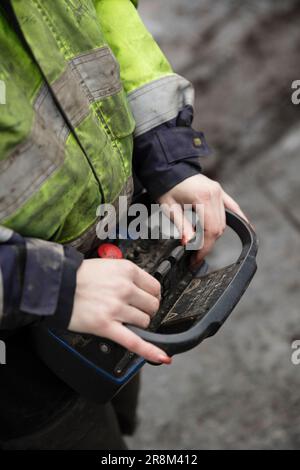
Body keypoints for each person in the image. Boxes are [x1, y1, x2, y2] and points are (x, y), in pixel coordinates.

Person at [0, 0, 248, 450]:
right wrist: (41, 283)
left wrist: (164, 147)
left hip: (118, 244)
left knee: (119, 405)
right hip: (17, 344)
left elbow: (105, 11)